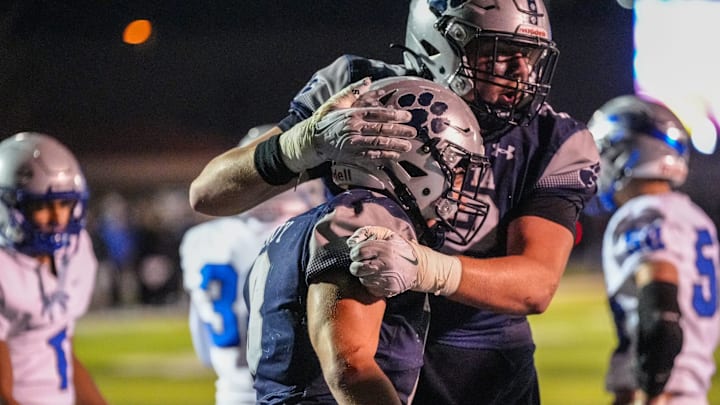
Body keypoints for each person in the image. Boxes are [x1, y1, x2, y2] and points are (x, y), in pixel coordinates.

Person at [189, 1, 600, 403]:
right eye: (499, 52)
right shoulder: (364, 92)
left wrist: (422, 266)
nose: (521, 70)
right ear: (439, 43)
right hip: (370, 335)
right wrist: (302, 143)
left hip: (483, 366)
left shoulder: (554, 136)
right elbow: (208, 194)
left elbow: (536, 285)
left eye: (528, 53)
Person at [244, 76, 491, 404]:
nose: (459, 187)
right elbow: (351, 368)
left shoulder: (292, 228)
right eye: (456, 170)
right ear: (409, 164)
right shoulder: (368, 215)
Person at [179, 123, 327, 405]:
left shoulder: (199, 241)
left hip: (231, 394)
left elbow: (204, 350)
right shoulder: (310, 233)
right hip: (298, 393)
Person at [586, 95, 720, 405]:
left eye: (605, 152)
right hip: (693, 391)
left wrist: (651, 390)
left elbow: (662, 313)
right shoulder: (696, 219)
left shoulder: (642, 215)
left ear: (625, 156)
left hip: (663, 393)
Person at [0, 132, 107, 405]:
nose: (58, 218)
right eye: (41, 205)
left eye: (65, 203)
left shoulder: (74, 252)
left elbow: (61, 349)